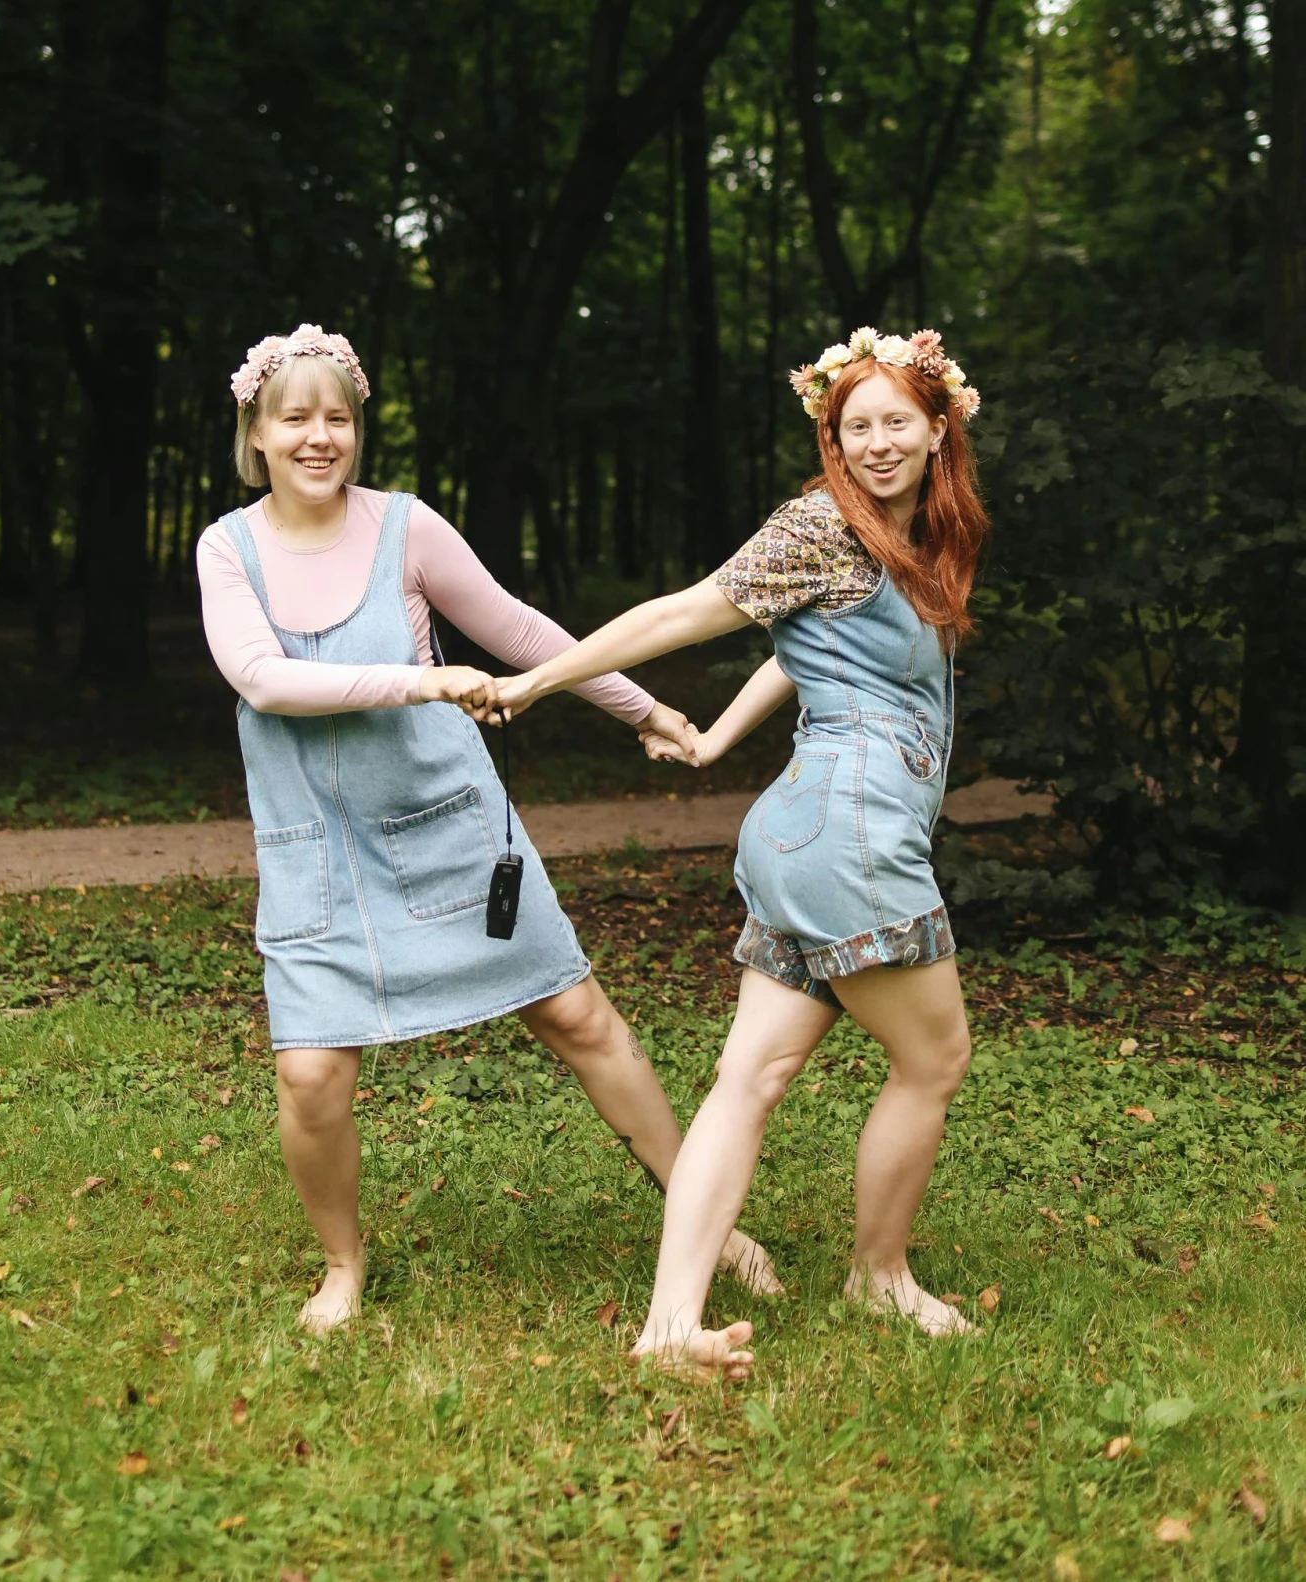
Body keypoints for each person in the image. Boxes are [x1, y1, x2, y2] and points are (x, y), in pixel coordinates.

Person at [197, 321, 781, 1332]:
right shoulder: (227, 548)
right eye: (294, 418)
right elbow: (264, 678)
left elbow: (520, 631)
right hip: (319, 856)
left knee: (578, 1018)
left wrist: (643, 710)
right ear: (257, 431)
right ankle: (342, 1263)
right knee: (310, 1069)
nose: (318, 436)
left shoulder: (407, 528)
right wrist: (422, 677)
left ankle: (708, 1226)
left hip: (450, 831)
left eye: (337, 416)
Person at [476, 327, 989, 1377]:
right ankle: (878, 1276)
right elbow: (685, 611)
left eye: (897, 420)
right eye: (856, 428)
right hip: (848, 837)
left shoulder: (915, 536)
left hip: (805, 828)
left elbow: (799, 647)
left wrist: (713, 740)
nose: (877, 442)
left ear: (940, 427)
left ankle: (670, 1326)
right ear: (832, 441)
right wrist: (538, 682)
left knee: (747, 1075)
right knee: (932, 1057)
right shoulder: (818, 523)